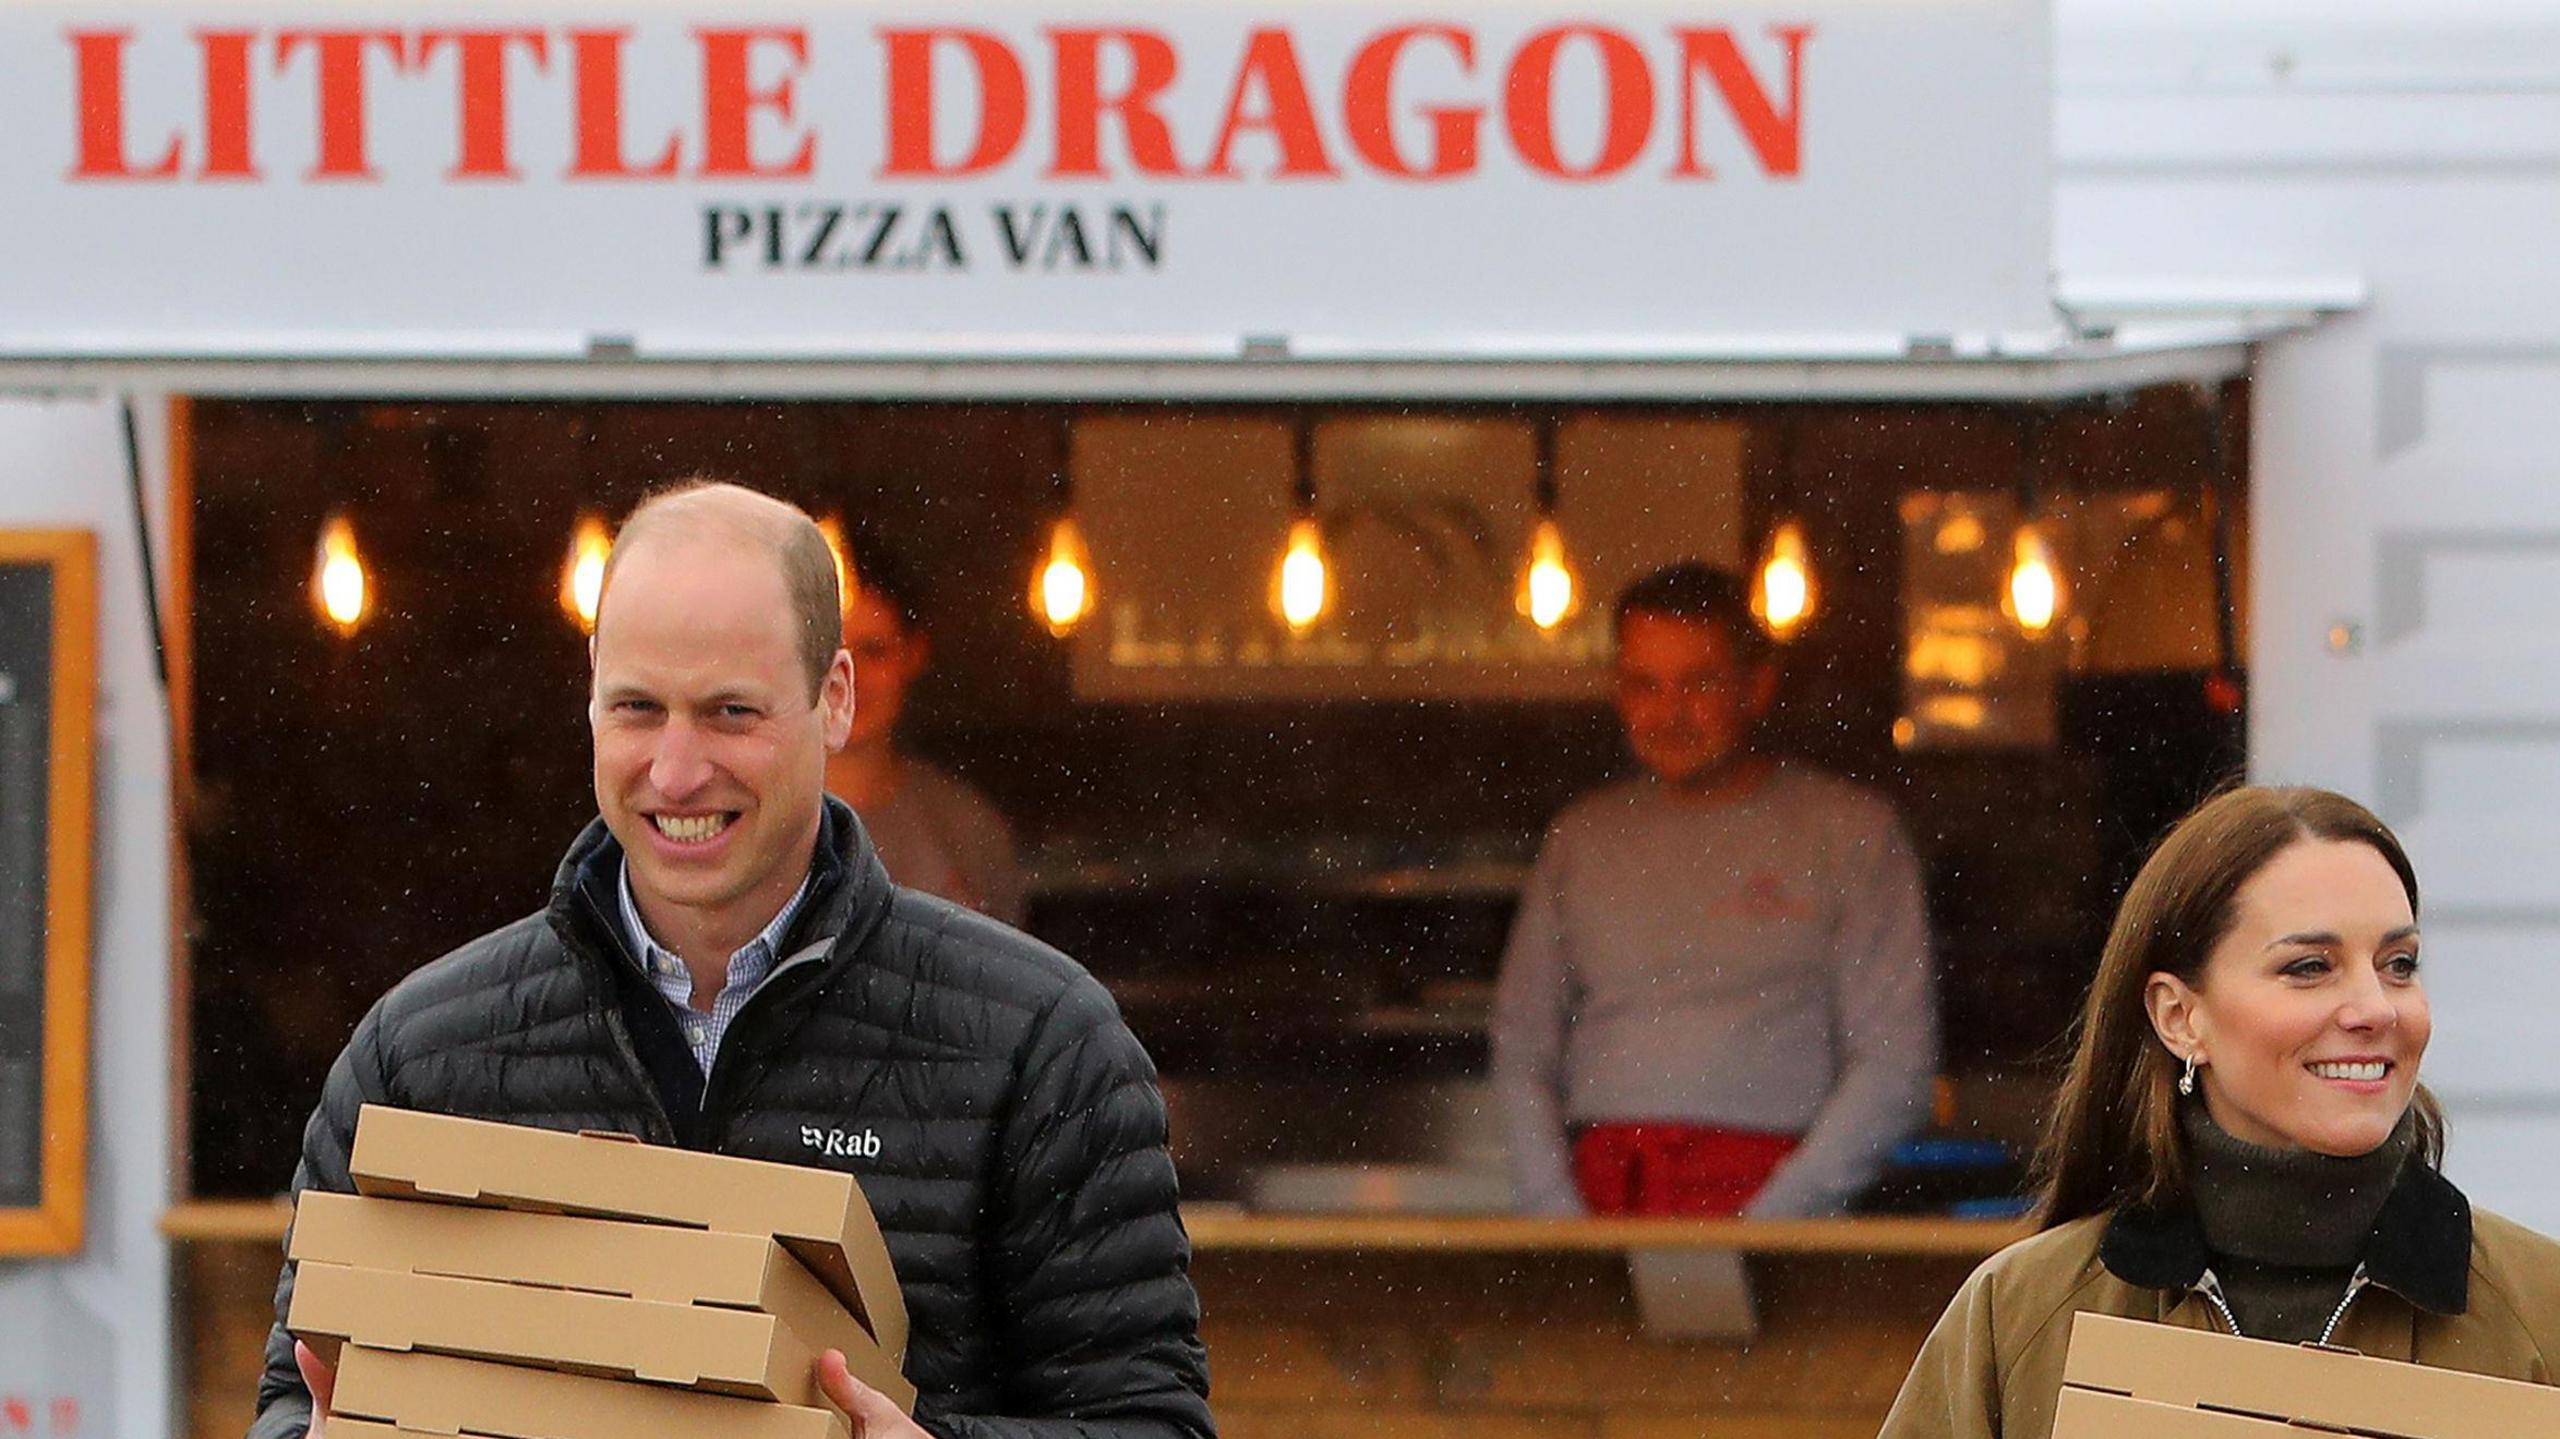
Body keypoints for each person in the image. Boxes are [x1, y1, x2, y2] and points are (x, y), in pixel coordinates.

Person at [251, 482, 1212, 1439]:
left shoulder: (1040, 1045)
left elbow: (1152, 1424)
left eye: (729, 713)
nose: (675, 770)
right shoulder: (418, 1057)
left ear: (832, 699)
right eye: (637, 707)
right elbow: (300, 1398)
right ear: (590, 690)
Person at [1880, 785, 2560, 1439]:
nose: (2377, 1007)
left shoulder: (2542, 1307)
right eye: (2309, 966)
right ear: (2180, 1016)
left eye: (2399, 963)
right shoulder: (2020, 1314)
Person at [1491, 562, 1937, 1219]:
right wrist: (1561, 1220)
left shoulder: (1850, 831)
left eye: (1698, 684)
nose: (1669, 712)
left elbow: (1896, 1065)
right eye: (1644, 685)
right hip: (1600, 1196)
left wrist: (1772, 1223)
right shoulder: (1580, 838)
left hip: (1783, 1194)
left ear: (1756, 686)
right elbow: (1522, 1046)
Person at [823, 537, 1025, 927]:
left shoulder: (967, 830)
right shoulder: (759, 823)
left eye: (875, 651)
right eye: (832, 654)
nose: (851, 679)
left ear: (913, 654)